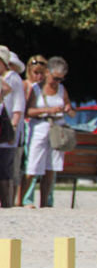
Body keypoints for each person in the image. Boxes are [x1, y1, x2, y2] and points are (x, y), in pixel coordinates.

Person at [23, 56, 75, 208]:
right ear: (47, 72)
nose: (57, 82)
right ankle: (24, 200)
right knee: (33, 166)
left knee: (51, 168)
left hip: (57, 129)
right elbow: (29, 111)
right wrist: (48, 110)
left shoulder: (62, 90)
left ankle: (45, 202)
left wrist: (68, 109)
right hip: (40, 127)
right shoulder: (36, 89)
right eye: (55, 78)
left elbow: (72, 112)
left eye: (61, 79)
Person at [17, 55, 48, 207]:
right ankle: (23, 198)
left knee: (36, 164)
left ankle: (30, 198)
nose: (39, 76)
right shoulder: (25, 85)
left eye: (42, 73)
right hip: (27, 126)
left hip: (38, 127)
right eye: (36, 72)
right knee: (28, 164)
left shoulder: (45, 87)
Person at [0, 46, 26, 207]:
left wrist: (14, 128)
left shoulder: (12, 78)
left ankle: (7, 203)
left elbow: (18, 106)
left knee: (5, 167)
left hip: (6, 127)